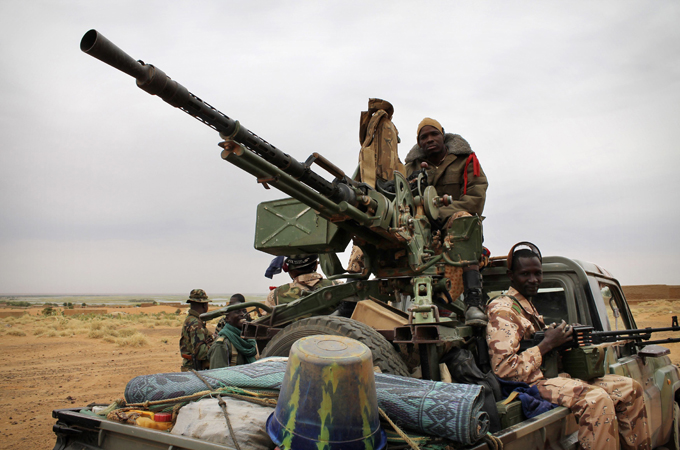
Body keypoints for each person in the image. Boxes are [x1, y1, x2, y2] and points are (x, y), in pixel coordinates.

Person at [486, 242, 650, 450]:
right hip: (532, 384)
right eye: (525, 274)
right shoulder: (503, 309)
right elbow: (504, 369)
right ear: (511, 275)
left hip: (553, 375)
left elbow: (534, 341)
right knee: (596, 400)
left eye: (538, 273)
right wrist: (546, 345)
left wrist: (565, 337)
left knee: (630, 389)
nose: (533, 280)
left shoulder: (526, 306)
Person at [405, 118, 489, 326]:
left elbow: (475, 200)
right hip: (421, 228)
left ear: (443, 135)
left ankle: (474, 302)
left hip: (454, 226)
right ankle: (350, 300)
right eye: (424, 137)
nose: (429, 139)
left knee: (463, 219)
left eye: (434, 134)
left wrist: (438, 213)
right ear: (419, 142)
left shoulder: (465, 160)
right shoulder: (410, 167)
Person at [265, 255, 335, 308]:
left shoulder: (275, 295)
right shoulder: (336, 285)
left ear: (287, 269)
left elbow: (266, 320)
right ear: (316, 265)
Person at [179, 289, 215, 372]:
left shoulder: (191, 319)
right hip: (195, 370)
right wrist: (214, 346)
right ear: (204, 305)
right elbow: (201, 353)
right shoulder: (196, 324)